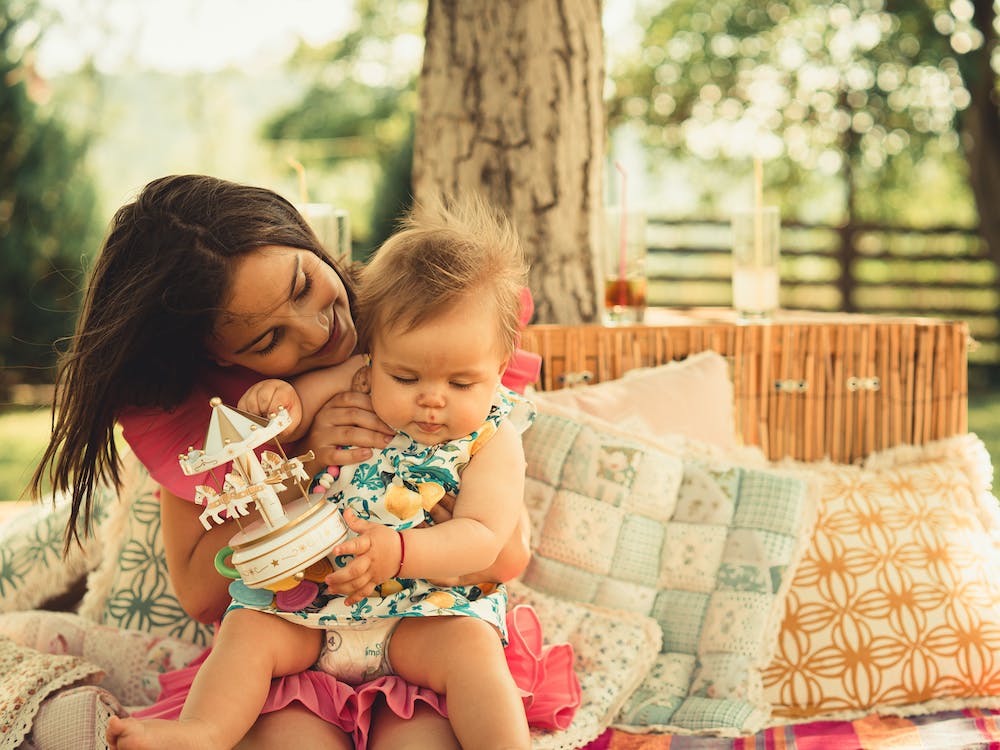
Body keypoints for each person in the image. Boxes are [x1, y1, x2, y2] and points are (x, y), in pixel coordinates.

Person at [30, 175, 573, 750]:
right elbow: (202, 595)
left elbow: (506, 553)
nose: (320, 329)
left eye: (303, 285)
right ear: (214, 355)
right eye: (268, 341)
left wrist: (414, 528)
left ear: (307, 241)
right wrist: (302, 459)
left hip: (420, 619)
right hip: (298, 644)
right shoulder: (214, 415)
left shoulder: (412, 328)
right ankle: (202, 733)